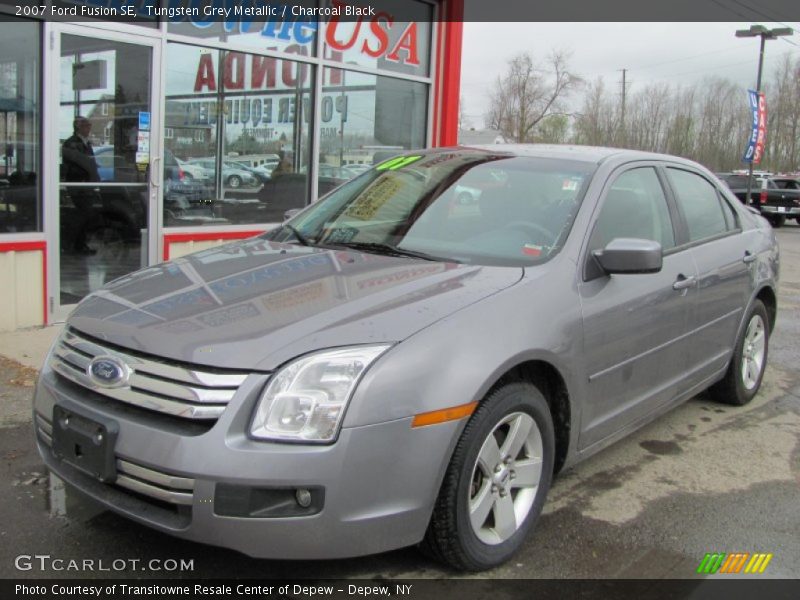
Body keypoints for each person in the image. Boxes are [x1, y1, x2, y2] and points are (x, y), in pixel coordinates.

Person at [61, 117, 100, 254]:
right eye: (86, 126)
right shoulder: (71, 143)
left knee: (87, 214)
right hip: (78, 185)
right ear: (78, 127)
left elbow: (91, 163)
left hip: (87, 185)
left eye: (89, 125)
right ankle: (75, 244)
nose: (89, 128)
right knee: (82, 214)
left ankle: (80, 243)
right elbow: (78, 162)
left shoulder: (87, 143)